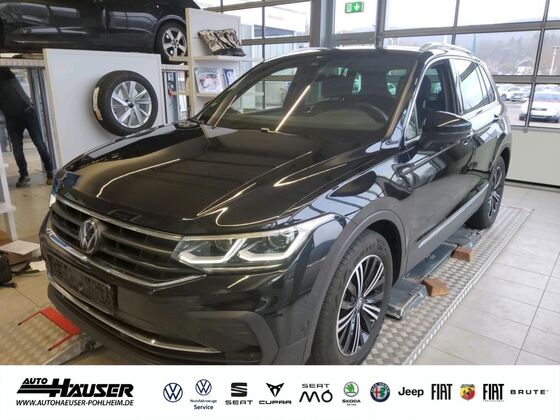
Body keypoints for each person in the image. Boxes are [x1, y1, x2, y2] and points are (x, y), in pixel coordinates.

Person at [0, 68, 53, 187]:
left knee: (39, 143)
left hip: (27, 112)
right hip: (11, 118)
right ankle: (24, 175)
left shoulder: (5, 73)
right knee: (17, 149)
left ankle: (50, 172)